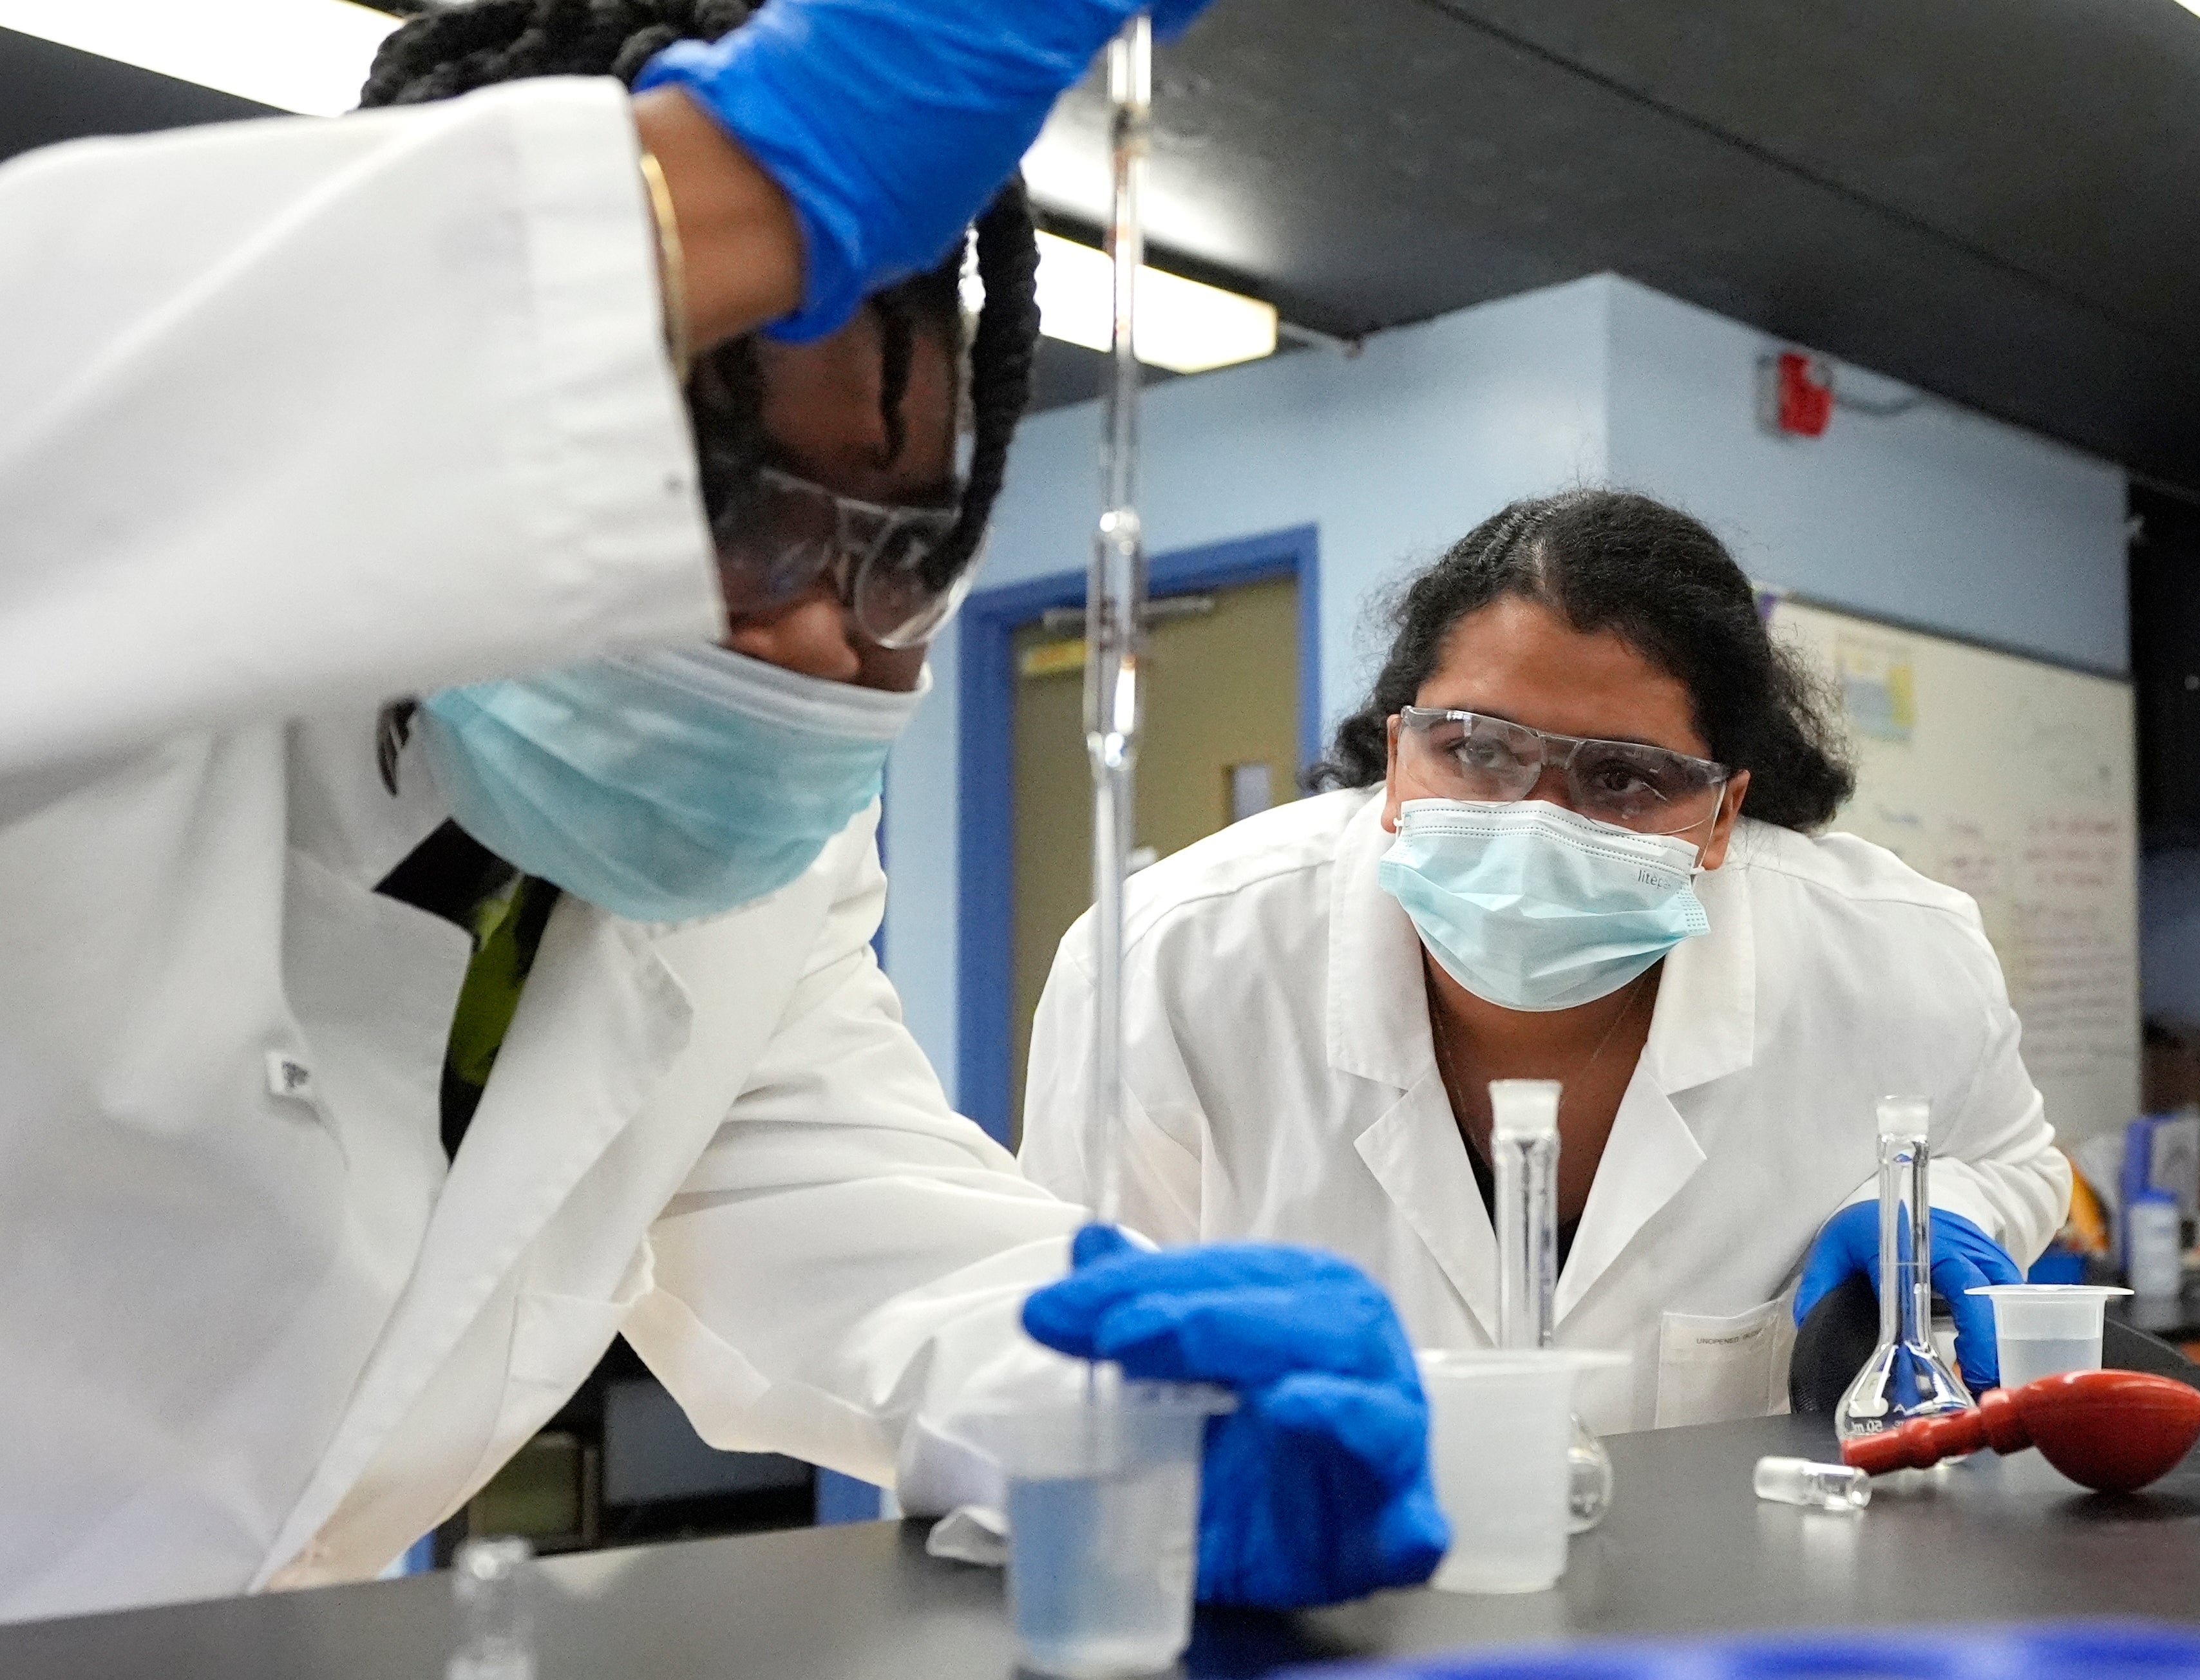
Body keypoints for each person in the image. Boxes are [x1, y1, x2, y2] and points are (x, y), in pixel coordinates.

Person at [0, 0, 1443, 1623]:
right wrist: (712, 187)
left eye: (897, 546)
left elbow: (823, 1203)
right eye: (732, 507)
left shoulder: (759, 854)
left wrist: (1122, 1408)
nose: (825, 635)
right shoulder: (99, 660)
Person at [1021, 490, 2072, 1433]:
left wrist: (1941, 1214)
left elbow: (2018, 1163)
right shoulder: (1171, 962)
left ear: (1721, 814)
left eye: (1623, 776)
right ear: (1395, 756)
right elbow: (1064, 1339)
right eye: (1476, 749)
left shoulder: (1893, 956)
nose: (1533, 821)